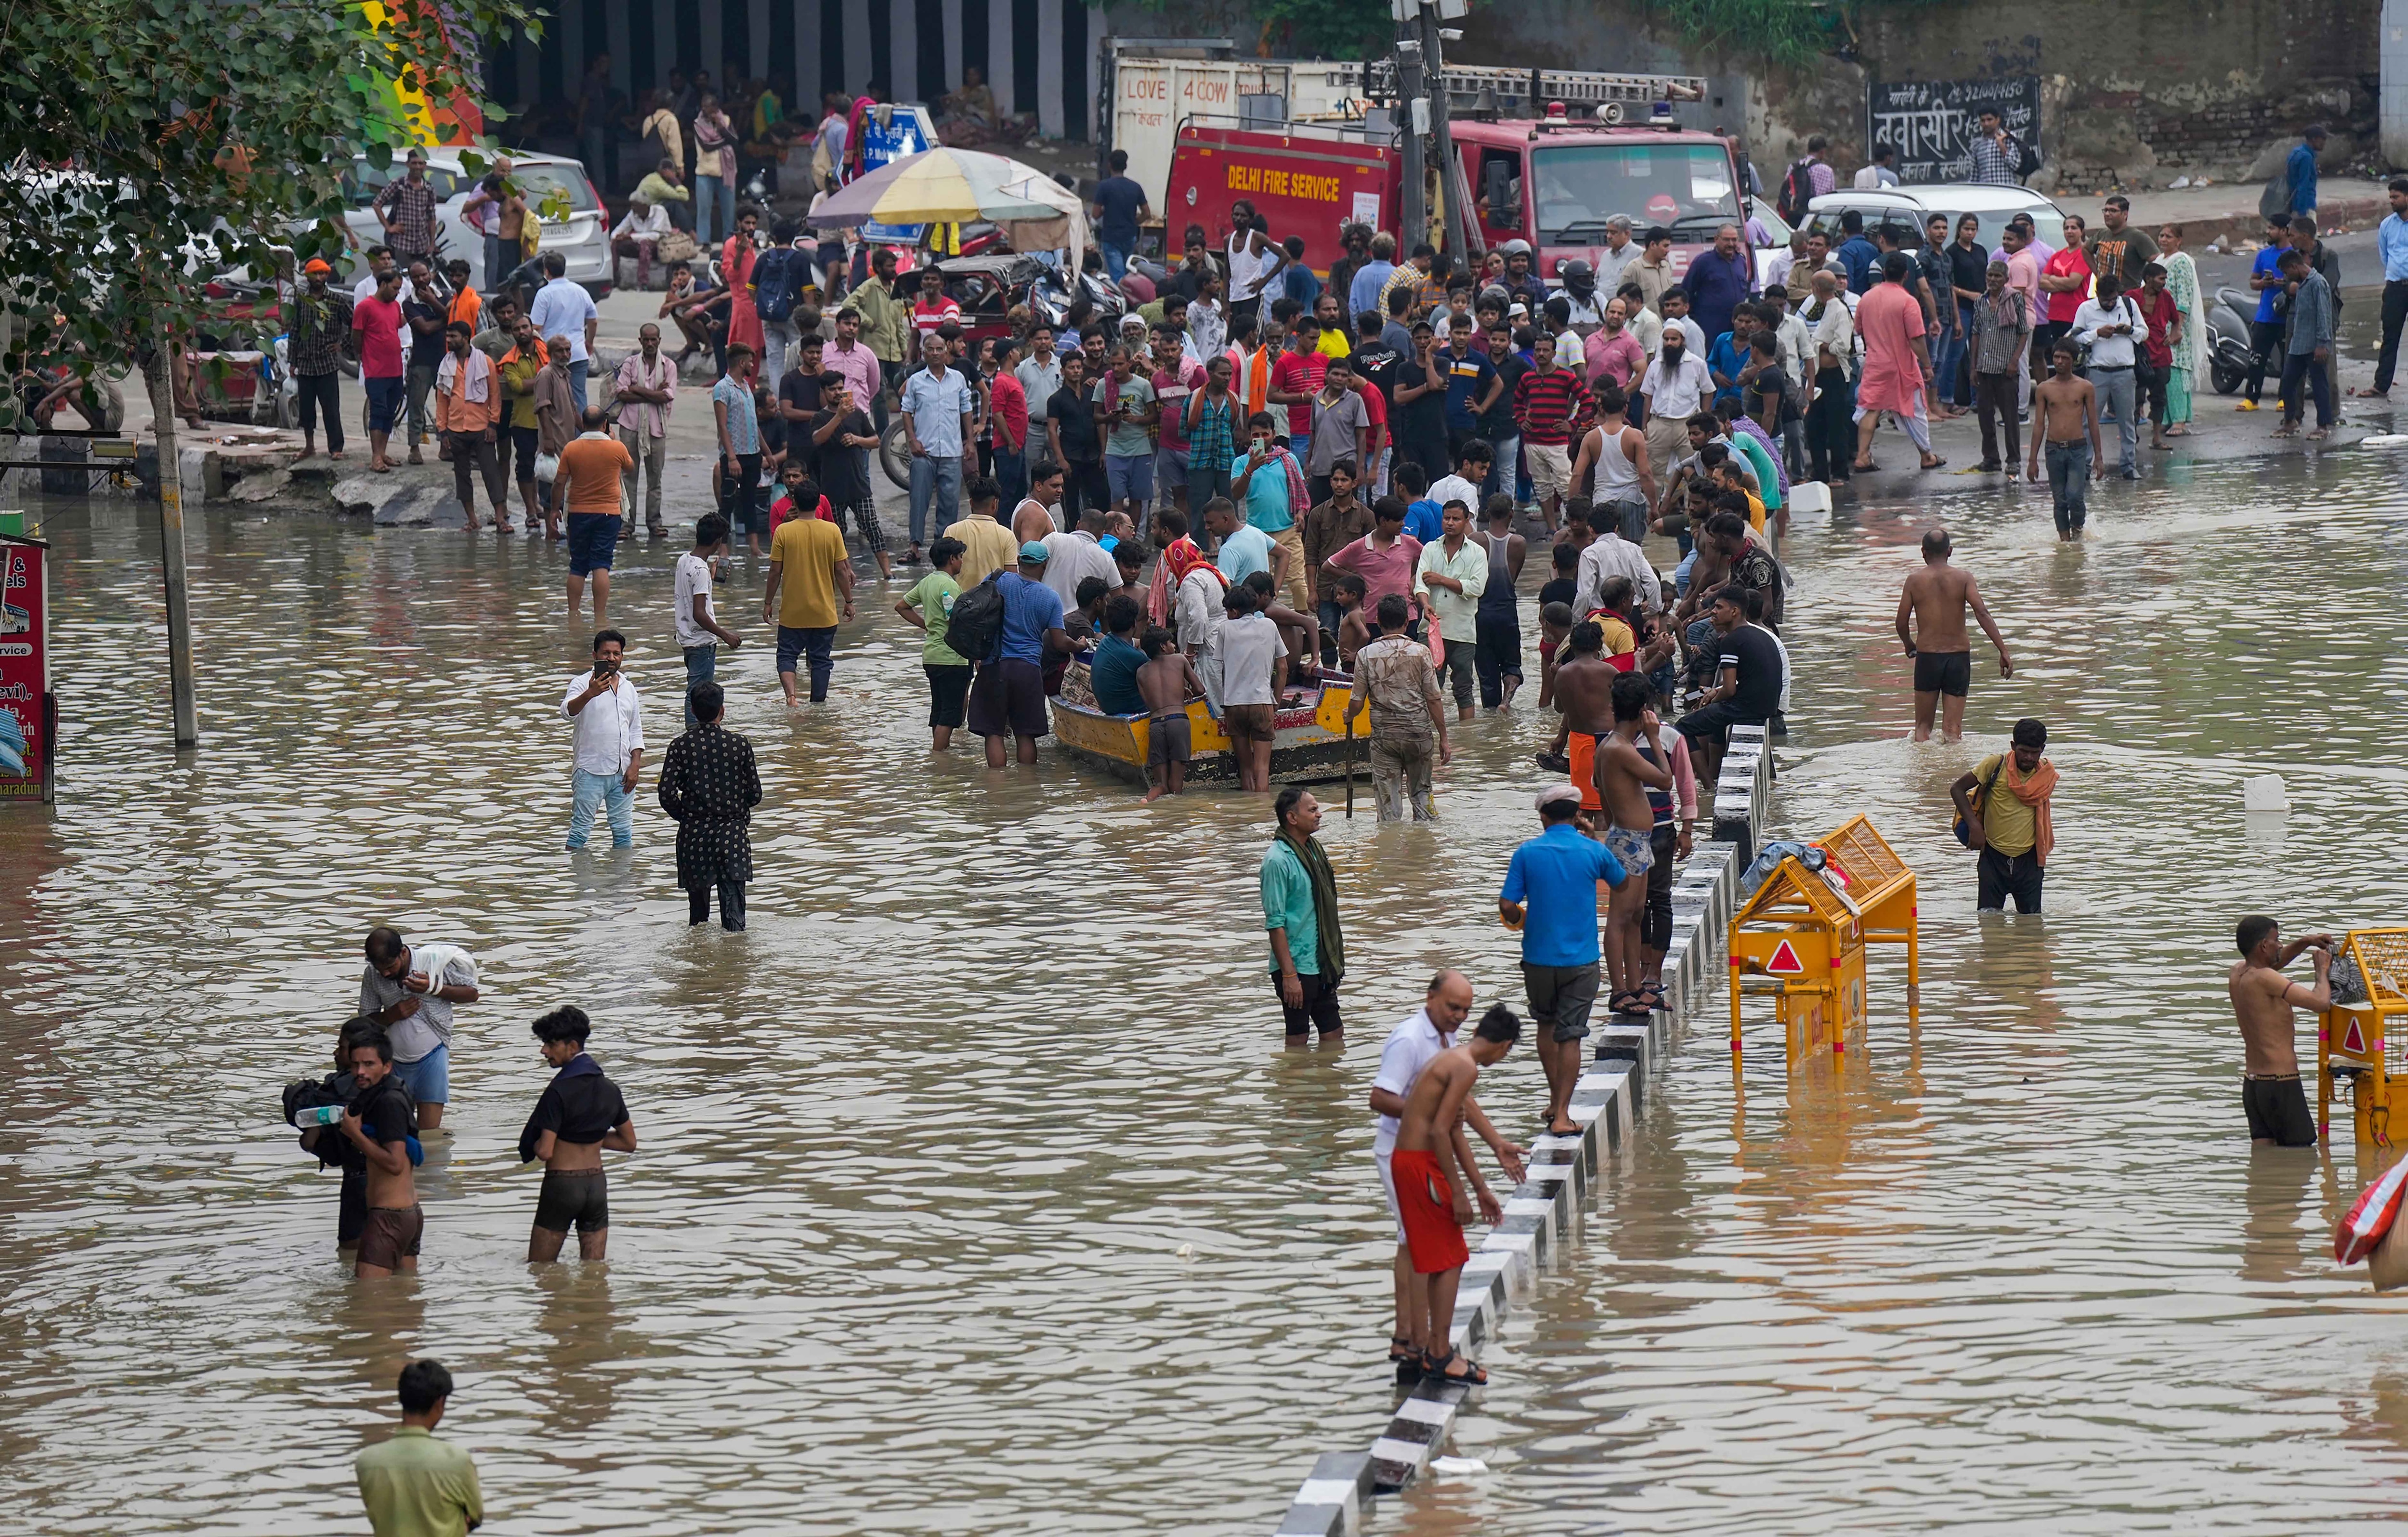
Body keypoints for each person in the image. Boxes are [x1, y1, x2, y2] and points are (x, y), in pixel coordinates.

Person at [1389, 1003, 1521, 1386]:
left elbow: (1451, 1129)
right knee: (1450, 1258)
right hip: (1419, 1164)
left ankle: (1431, 1346)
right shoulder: (1465, 1067)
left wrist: (1480, 1187)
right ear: (1504, 1045)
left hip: (1410, 1161)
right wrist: (1463, 1193)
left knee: (1440, 1257)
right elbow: (1440, 1131)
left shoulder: (1451, 1056)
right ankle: (1440, 1353)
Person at [1499, 784, 1625, 1136]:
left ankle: (1555, 1101)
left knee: (1545, 1026)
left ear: (1542, 816)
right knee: (1570, 1037)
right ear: (1576, 815)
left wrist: (1520, 920)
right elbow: (1623, 883)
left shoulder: (1527, 852)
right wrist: (1594, 840)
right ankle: (1562, 1116)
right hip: (1581, 961)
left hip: (1538, 959)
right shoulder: (1591, 851)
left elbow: (1507, 905)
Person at [655, 680, 763, 931]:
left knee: (698, 920)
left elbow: (666, 794)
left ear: (692, 711)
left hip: (695, 835)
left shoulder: (680, 746)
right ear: (722, 711)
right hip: (732, 834)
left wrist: (688, 816)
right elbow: (755, 794)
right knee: (735, 919)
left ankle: (700, 965)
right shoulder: (740, 745)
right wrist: (736, 811)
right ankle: (735, 965)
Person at [1594, 671, 1672, 1018]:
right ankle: (1620, 990)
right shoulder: (1619, 748)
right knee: (1620, 917)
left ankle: (1636, 985)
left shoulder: (1611, 746)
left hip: (1632, 839)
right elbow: (1665, 780)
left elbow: (1601, 791)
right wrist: (1655, 738)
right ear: (1643, 711)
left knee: (1636, 915)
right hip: (1627, 840)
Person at [357, 926, 478, 1134]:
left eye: (389, 966)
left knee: (429, 1134)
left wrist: (434, 988)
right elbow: (365, 1021)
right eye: (379, 968)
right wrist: (391, 1016)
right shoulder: (373, 974)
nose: (384, 973)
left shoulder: (432, 963)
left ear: (403, 952)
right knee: (393, 1130)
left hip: (432, 1058)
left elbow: (472, 994)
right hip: (392, 1063)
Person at [1896, 527, 2012, 743]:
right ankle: (1952, 773)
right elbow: (1982, 613)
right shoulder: (1964, 578)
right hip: (1958, 658)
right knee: (1953, 730)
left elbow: (1901, 622)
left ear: (1923, 552)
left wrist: (1909, 644)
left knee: (1922, 728)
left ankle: (1923, 772)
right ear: (1950, 551)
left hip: (1928, 657)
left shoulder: (1914, 581)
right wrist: (2003, 650)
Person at [2226, 917, 2334, 1147]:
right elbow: (2320, 1003)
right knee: (2301, 1160)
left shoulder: (2238, 974)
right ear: (2264, 946)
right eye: (2277, 941)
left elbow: (2273, 964)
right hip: (2281, 1084)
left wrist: (2306, 942)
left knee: (2266, 1163)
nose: (2281, 945)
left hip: (2254, 1086)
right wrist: (2321, 971)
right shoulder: (2266, 978)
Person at [967, 543, 1074, 767]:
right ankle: (1026, 789)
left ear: (1019, 559)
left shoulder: (997, 579)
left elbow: (977, 612)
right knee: (1025, 734)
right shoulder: (1050, 598)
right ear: (1045, 565)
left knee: (994, 733)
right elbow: (1060, 642)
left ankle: (998, 790)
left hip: (994, 666)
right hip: (1028, 671)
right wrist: (1080, 645)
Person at [1346, 593, 1449, 822]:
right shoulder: (1421, 652)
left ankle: (1391, 853)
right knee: (1422, 792)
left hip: (1385, 739)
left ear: (1379, 623)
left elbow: (1357, 701)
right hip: (1418, 735)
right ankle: (1426, 849)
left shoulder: (1365, 655)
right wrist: (1443, 738)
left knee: (1388, 804)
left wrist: (1348, 716)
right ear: (1406, 623)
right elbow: (1434, 698)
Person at [355, 1359, 482, 1536]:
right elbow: (476, 1517)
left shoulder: (367, 1462)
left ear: (401, 1398)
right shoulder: (457, 1461)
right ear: (440, 1403)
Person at [335, 1028, 423, 1278]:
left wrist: (355, 1135)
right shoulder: (389, 1093)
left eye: (369, 1064)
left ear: (386, 1067)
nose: (360, 1072)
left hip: (389, 1217)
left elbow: (395, 1163)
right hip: (407, 1215)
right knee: (404, 1296)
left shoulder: (389, 1102)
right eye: (356, 1065)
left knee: (367, 1301)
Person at [762, 476, 855, 706]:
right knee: (821, 661)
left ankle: (791, 697)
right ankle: (818, 704)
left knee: (786, 656)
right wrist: (849, 601)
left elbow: (775, 572)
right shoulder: (832, 531)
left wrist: (767, 603)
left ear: (794, 501)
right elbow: (841, 571)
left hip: (793, 613)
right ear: (819, 503)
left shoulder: (784, 532)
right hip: (824, 612)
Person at [1262, 785, 1344, 1040]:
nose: (1319, 814)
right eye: (1313, 810)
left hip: (1320, 962)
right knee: (1298, 1039)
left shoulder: (1314, 851)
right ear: (1292, 818)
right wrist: (1289, 976)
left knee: (1334, 1036)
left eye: (1318, 809)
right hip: (1296, 966)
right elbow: (1276, 923)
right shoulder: (1277, 861)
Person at [1950, 717, 2056, 914]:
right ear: (2013, 746)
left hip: (2030, 861)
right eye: (2024, 751)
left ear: (2042, 749)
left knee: (2032, 926)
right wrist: (1974, 826)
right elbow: (1957, 789)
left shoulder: (2046, 775)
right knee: (1989, 921)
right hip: (1993, 858)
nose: (2029, 758)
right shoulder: (1995, 765)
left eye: (2035, 753)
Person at [1675, 586, 1779, 782]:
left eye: (1719, 607)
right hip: (1767, 707)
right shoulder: (1763, 634)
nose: (1713, 612)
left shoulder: (1731, 641)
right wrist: (1716, 693)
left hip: (1746, 709)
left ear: (1734, 612)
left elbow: (1730, 689)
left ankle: (1706, 784)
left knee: (1682, 727)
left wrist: (1712, 699)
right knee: (1711, 716)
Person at [1851, 253, 1943, 473]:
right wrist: (1928, 366)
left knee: (1870, 409)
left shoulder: (1867, 298)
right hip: (1903, 367)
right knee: (1916, 409)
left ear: (1883, 273)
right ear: (1906, 275)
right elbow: (1916, 339)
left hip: (1875, 363)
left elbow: (1859, 330)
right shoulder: (1908, 301)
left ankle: (1862, 456)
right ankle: (1927, 455)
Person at [563, 630, 644, 851]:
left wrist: (635, 765)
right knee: (580, 833)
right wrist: (590, 693)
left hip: (623, 773)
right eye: (606, 653)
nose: (611, 658)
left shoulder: (629, 688)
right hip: (590, 771)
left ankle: (620, 883)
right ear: (595, 655)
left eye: (616, 654)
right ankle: (577, 882)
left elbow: (635, 730)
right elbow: (567, 712)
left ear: (622, 657)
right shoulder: (581, 683)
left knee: (624, 835)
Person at [903, 334, 977, 562]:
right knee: (919, 499)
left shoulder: (958, 379)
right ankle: (914, 546)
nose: (935, 353)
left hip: (953, 451)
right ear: (923, 353)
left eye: (939, 349)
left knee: (950, 502)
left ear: (946, 352)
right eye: (930, 349)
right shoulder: (915, 380)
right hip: (924, 451)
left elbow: (966, 410)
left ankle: (942, 548)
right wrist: (912, 440)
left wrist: (970, 441)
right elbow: (906, 411)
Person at [558, 407, 635, 622]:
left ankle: (573, 615)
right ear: (605, 424)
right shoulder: (616, 448)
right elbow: (630, 468)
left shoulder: (571, 449)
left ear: (583, 424)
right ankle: (600, 618)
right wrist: (612, 440)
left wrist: (555, 509)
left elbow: (559, 483)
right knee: (601, 563)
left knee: (578, 565)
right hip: (609, 514)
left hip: (578, 513)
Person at [896, 536, 973, 749]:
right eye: (960, 557)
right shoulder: (950, 586)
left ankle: (940, 750)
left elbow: (902, 606)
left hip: (931, 655)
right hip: (951, 658)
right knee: (950, 715)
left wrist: (926, 625)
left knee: (939, 710)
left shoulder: (927, 582)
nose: (962, 562)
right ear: (952, 559)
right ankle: (939, 757)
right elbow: (955, 620)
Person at [431, 320, 508, 532]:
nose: (449, 340)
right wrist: (442, 430)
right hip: (455, 429)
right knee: (462, 475)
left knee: (491, 473)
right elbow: (442, 399)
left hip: (481, 427)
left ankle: (501, 518)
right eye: (448, 337)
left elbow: (494, 395)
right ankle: (473, 520)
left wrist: (493, 424)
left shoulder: (485, 362)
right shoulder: (446, 364)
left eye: (453, 337)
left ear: (466, 338)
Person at [1414, 500, 1488, 721]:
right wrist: (1425, 604)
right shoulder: (1430, 548)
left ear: (1466, 522)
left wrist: (1442, 580)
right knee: (1427, 688)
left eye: (1456, 519)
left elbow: (1477, 588)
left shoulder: (1477, 552)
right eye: (1447, 518)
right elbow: (1421, 584)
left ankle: (1467, 740)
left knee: (1464, 690)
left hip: (1462, 632)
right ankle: (1427, 734)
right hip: (1430, 630)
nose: (1450, 523)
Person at [2072, 273, 2145, 478]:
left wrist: (2128, 330)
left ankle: (2129, 466)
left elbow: (2144, 333)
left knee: (2128, 421)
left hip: (2125, 371)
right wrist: (2096, 333)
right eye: (2106, 301)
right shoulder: (2086, 309)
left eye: (2113, 299)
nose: (2110, 304)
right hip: (2097, 373)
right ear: (2097, 295)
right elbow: (2075, 338)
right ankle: (2085, 467)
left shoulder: (2129, 305)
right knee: (2088, 421)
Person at [1217, 585, 1288, 791]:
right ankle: (1261, 814)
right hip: (1262, 702)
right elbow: (1282, 667)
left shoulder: (1224, 629)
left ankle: (1247, 812)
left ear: (1234, 611)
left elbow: (1221, 669)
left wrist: (1225, 699)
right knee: (1263, 768)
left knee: (1245, 769)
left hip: (1234, 705)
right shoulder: (1269, 626)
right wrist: (1276, 700)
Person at [2027, 342, 2102, 539]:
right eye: (2056, 357)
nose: (2060, 362)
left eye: (2065, 358)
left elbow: (2093, 423)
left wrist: (2099, 457)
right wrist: (2032, 460)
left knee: (2075, 497)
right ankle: (2065, 543)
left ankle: (2077, 535)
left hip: (2078, 449)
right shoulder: (2044, 388)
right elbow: (2039, 425)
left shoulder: (2085, 387)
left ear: (2074, 361)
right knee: (2060, 500)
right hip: (2053, 450)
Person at [1968, 261, 2031, 473]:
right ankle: (1991, 459)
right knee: (1985, 416)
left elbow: (2023, 332)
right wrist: (1973, 366)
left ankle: (2013, 459)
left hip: (2006, 369)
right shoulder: (1980, 301)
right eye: (1990, 276)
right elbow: (1976, 333)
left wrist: (2014, 361)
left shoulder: (2015, 299)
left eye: (1998, 276)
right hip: (1985, 368)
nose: (1993, 280)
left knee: (2010, 417)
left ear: (2006, 279)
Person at [2274, 247, 2338, 441]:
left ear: (2294, 266)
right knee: (2287, 381)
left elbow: (2324, 315)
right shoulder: (2302, 284)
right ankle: (2290, 422)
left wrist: (2322, 344)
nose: (2287, 277)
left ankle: (2323, 425)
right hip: (2298, 344)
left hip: (2314, 346)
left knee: (2320, 385)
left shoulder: (2318, 283)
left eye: (2287, 272)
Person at [1136, 625, 1204, 800]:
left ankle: (1147, 800)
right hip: (1178, 721)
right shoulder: (1180, 660)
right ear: (1163, 647)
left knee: (1160, 785)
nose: (1173, 645)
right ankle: (1175, 816)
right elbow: (1199, 689)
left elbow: (1149, 702)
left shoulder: (1141, 672)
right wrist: (1182, 691)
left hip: (1156, 724)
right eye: (1170, 642)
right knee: (1176, 787)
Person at [527, 251, 600, 410]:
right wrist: (589, 342)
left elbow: (536, 328)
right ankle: (582, 433)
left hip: (551, 356)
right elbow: (593, 320)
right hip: (578, 353)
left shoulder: (544, 294)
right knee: (578, 397)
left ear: (546, 271)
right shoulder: (580, 291)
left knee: (553, 399)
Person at [1638, 325, 1711, 478]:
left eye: (1674, 339)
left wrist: (1703, 421)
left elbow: (1708, 391)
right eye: (1666, 339)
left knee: (1692, 472)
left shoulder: (1697, 364)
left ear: (1683, 340)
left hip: (1687, 425)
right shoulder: (1655, 365)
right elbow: (1648, 397)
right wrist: (1645, 426)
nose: (1670, 343)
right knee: (1653, 472)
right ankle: (1653, 503)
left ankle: (1687, 503)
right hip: (1659, 424)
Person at [1474, 496, 1525, 710]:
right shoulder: (1518, 543)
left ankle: (1492, 709)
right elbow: (1514, 578)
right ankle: (1507, 702)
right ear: (1511, 515)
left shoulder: (1475, 540)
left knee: (1487, 672)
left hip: (1480, 614)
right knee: (1511, 664)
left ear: (1487, 514)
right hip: (1507, 611)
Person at [2157, 224, 2204, 434]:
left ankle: (2179, 420)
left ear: (2179, 240)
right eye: (2161, 235)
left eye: (2169, 236)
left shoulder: (2181, 262)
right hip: (2160, 323)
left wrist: (2178, 327)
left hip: (2176, 324)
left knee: (2177, 371)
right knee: (2164, 372)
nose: (2164, 239)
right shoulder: (2160, 261)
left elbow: (2184, 295)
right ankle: (2167, 418)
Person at [1091, 149, 1150, 284]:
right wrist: (1134, 222)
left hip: (1111, 238)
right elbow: (1147, 213)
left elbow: (1095, 214)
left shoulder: (1104, 187)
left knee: (1118, 279)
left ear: (1110, 165)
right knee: (1129, 274)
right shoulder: (1136, 187)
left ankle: (1121, 303)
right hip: (1130, 237)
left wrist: (1106, 210)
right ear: (1126, 166)